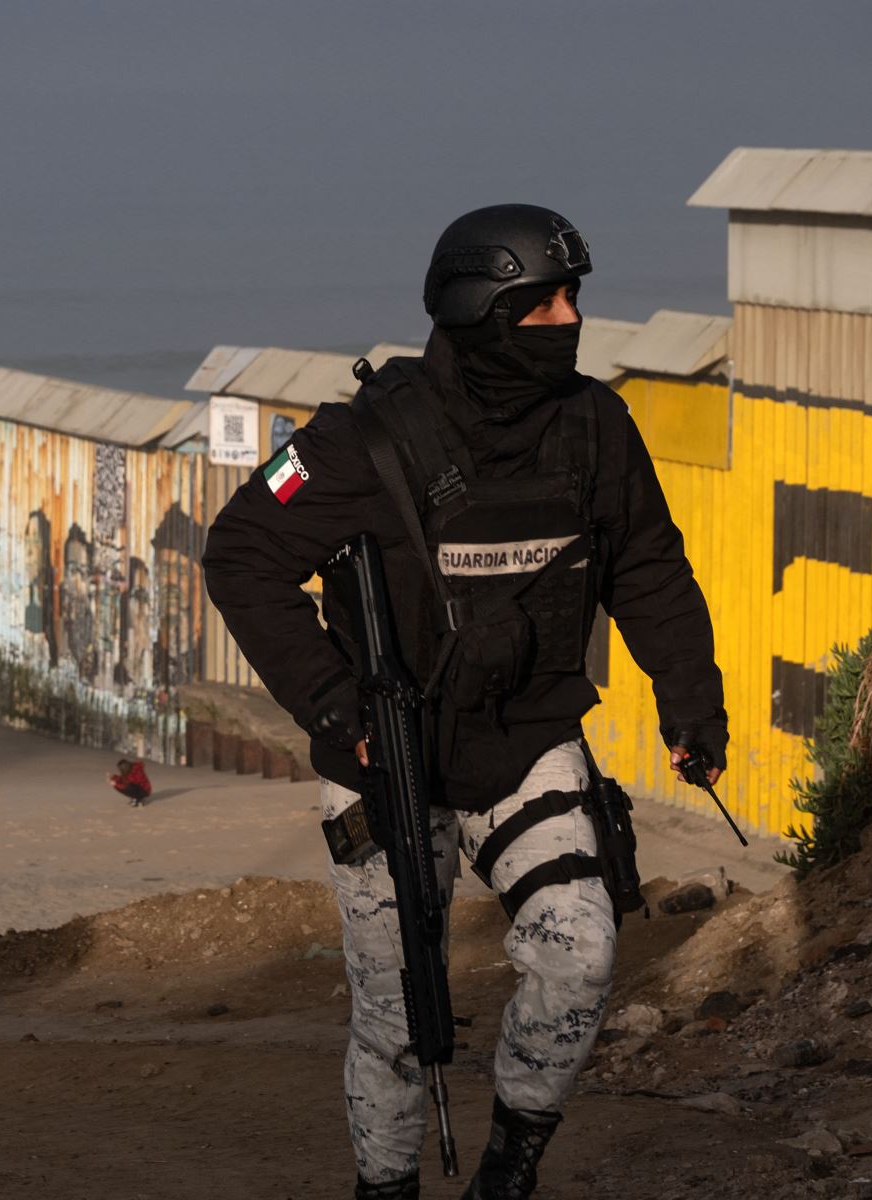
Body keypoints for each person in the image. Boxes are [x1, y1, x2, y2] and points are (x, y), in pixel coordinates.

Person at [203, 205, 727, 1200]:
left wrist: (691, 707)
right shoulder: (357, 440)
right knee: (401, 1019)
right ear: (483, 307)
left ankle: (511, 1165)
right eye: (544, 304)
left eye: (574, 298)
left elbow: (650, 566)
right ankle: (387, 1187)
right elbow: (240, 553)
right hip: (385, 760)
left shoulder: (596, 427)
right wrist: (331, 701)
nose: (570, 320)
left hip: (529, 740)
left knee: (578, 955)